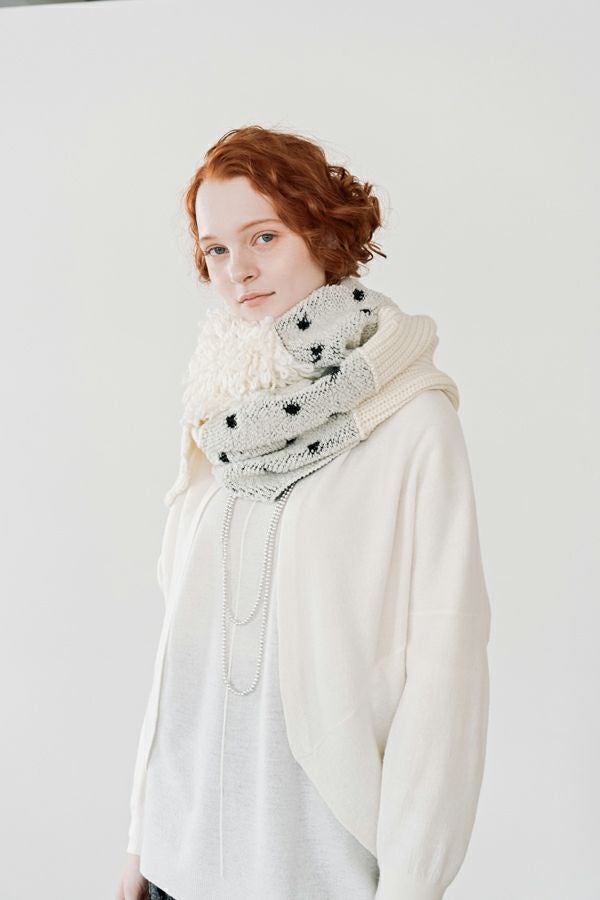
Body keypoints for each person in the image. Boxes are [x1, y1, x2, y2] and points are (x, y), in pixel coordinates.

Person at [116, 125, 491, 900]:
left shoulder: (413, 423)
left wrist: (413, 884)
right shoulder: (218, 414)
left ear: (323, 232)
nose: (239, 269)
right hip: (171, 868)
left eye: (265, 236)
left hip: (315, 874)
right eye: (216, 249)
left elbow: (446, 673)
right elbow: (181, 655)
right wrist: (138, 842)